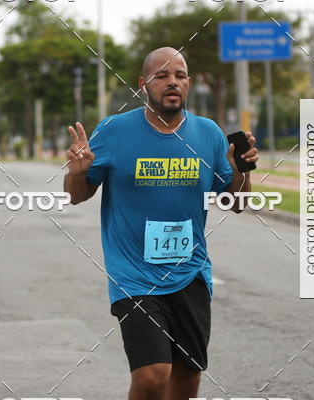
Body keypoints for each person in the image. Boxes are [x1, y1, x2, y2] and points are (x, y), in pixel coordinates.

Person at [63, 47, 258, 400]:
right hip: (134, 275)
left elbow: (237, 204)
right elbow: (77, 195)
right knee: (152, 376)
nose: (172, 83)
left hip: (190, 272)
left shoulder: (208, 133)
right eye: (162, 76)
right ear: (143, 84)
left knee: (187, 379)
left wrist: (242, 172)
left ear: (189, 83)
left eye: (180, 76)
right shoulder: (114, 130)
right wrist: (77, 173)